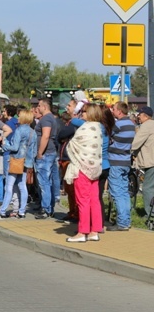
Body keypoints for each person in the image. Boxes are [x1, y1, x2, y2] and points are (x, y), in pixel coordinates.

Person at [64, 103, 103, 242]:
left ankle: (82, 232)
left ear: (90, 113)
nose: (82, 114)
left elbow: (72, 145)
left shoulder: (85, 127)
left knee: (82, 200)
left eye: (84, 111)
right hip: (95, 167)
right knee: (94, 200)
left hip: (82, 168)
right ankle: (94, 231)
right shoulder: (98, 128)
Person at [0, 109, 37, 219]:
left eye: (19, 116)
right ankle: (22, 211)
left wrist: (5, 145)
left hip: (16, 160)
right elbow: (34, 151)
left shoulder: (19, 130)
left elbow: (15, 147)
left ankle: (2, 210)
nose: (18, 118)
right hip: (27, 162)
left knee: (9, 186)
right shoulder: (33, 132)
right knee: (22, 186)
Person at [107, 101, 136, 231]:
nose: (112, 111)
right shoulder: (131, 124)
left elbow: (108, 137)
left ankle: (122, 223)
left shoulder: (117, 125)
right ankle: (126, 220)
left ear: (119, 111)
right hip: (125, 161)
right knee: (124, 193)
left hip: (115, 162)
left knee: (117, 193)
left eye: (113, 109)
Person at [34, 98, 60, 219]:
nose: (37, 108)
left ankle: (46, 209)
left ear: (44, 107)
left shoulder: (46, 119)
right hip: (50, 152)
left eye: (39, 106)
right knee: (49, 182)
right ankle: (49, 207)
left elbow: (45, 135)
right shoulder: (51, 118)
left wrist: (40, 152)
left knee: (44, 183)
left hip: (45, 154)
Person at [131, 106, 154, 218]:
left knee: (147, 188)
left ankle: (150, 214)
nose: (138, 116)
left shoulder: (146, 126)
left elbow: (135, 143)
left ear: (145, 115)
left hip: (151, 162)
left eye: (139, 114)